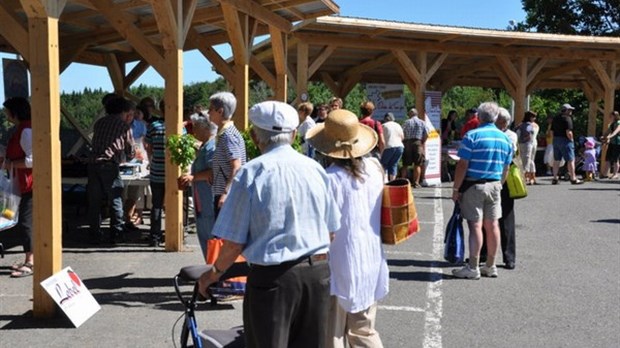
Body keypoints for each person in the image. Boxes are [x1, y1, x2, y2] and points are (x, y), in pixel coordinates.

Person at [198, 101, 341, 348]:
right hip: (317, 273)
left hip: (274, 278)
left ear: (255, 137)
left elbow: (233, 243)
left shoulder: (251, 173)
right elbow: (331, 232)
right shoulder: (315, 169)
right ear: (294, 134)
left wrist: (212, 275)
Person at [306, 109, 389, 348]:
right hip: (371, 256)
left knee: (332, 332)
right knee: (364, 330)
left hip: (338, 261)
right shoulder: (375, 169)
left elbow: (323, 225)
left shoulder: (329, 178)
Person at [450, 101, 513, 279]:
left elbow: (462, 165)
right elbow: (506, 166)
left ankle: (473, 266)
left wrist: (456, 189)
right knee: (493, 225)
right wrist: (500, 183)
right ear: (496, 117)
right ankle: (491, 265)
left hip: (473, 185)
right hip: (494, 184)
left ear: (479, 116)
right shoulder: (505, 138)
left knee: (475, 225)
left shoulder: (472, 136)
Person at [88, 97, 135, 245]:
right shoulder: (123, 126)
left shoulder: (99, 123)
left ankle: (94, 233)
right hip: (109, 165)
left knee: (94, 201)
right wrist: (128, 157)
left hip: (92, 164)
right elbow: (130, 150)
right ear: (124, 111)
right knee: (115, 199)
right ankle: (116, 234)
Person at [481, 107, 519, 270]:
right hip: (493, 178)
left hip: (505, 181)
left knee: (506, 219)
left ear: (502, 122)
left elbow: (508, 156)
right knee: (486, 218)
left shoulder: (509, 136)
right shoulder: (499, 134)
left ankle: (509, 256)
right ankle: (483, 253)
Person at [177, 114, 218, 259]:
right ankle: (211, 269)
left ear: (206, 128)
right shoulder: (205, 146)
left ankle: (214, 271)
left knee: (210, 235)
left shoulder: (212, 146)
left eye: (196, 126)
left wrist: (192, 177)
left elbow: (214, 171)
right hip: (202, 197)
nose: (193, 130)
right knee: (206, 235)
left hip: (208, 198)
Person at [2, 97, 34, 277]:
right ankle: (29, 259)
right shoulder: (24, 128)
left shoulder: (26, 131)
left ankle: (31, 262)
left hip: (30, 183)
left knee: (26, 223)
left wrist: (9, 164)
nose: (5, 115)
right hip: (24, 182)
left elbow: (32, 160)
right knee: (25, 222)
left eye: (7, 111)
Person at [208, 92, 246, 217]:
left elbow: (236, 166)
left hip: (227, 198)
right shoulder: (225, 133)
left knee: (221, 236)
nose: (208, 113)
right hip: (225, 195)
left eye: (211, 109)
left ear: (220, 111)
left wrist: (225, 193)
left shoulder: (228, 135)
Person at [144, 99, 166, 246]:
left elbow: (148, 147)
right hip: (172, 173)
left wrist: (153, 160)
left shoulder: (153, 126)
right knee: (172, 205)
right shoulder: (179, 128)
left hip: (156, 171)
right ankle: (172, 234)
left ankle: (155, 237)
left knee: (156, 205)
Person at [124, 105, 148, 227]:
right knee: (121, 191)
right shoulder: (119, 124)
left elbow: (144, 144)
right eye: (126, 114)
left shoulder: (140, 126)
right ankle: (125, 218)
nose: (128, 117)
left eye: (131, 114)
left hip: (137, 159)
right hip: (122, 160)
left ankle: (131, 217)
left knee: (135, 190)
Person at [551, 103, 583, 185]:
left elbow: (551, 131)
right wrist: (571, 140)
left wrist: (553, 139)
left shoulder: (555, 118)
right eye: (569, 110)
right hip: (565, 140)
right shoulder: (567, 119)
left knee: (556, 160)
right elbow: (568, 132)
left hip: (556, 139)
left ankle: (555, 178)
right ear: (565, 110)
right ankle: (573, 178)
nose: (571, 111)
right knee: (570, 160)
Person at [400, 108, 428, 188]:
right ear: (417, 114)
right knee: (418, 164)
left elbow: (401, 133)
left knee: (405, 164)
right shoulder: (422, 122)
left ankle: (402, 182)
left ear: (410, 114)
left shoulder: (406, 122)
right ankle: (416, 183)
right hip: (418, 142)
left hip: (407, 143)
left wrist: (404, 141)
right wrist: (422, 142)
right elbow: (426, 133)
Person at [380, 112, 404, 181]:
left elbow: (381, 138)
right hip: (400, 147)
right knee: (394, 165)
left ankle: (385, 182)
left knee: (384, 165)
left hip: (389, 147)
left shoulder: (383, 125)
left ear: (385, 119)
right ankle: (392, 182)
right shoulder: (398, 125)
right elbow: (402, 137)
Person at [517, 110, 539, 185]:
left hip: (525, 143)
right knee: (531, 160)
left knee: (525, 160)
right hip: (534, 143)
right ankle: (532, 177)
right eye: (533, 117)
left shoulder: (521, 125)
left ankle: (525, 177)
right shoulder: (535, 125)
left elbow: (519, 134)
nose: (535, 118)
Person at [601, 111, 620, 179]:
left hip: (617, 143)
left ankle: (615, 174)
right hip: (612, 143)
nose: (610, 117)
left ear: (615, 116)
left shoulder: (619, 123)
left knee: (615, 159)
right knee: (608, 158)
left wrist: (609, 137)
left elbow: (616, 132)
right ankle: (605, 173)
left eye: (611, 116)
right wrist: (603, 136)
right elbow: (608, 131)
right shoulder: (612, 124)